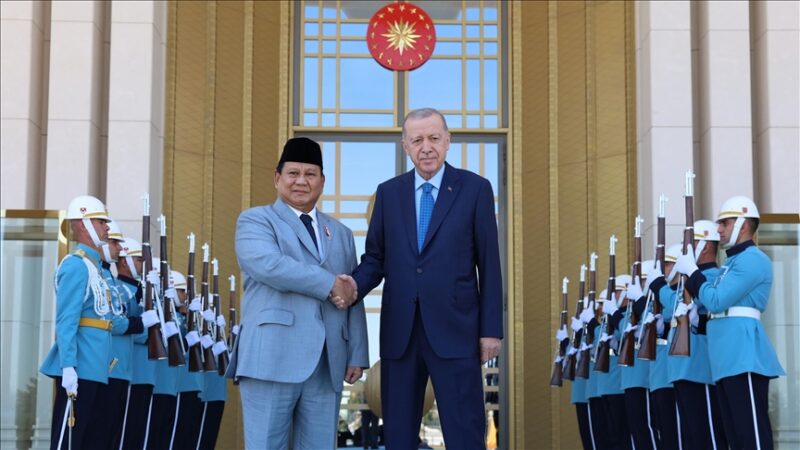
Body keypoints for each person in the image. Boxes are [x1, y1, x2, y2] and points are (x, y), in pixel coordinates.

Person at [352, 107, 503, 448]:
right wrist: (353, 286)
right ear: (405, 145)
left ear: (448, 141)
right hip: (400, 332)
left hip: (457, 330)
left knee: (464, 431)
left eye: (434, 138)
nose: (426, 147)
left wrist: (490, 330)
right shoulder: (388, 194)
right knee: (399, 435)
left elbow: (489, 264)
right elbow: (375, 258)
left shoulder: (475, 189)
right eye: (417, 140)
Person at [232, 137, 369, 449]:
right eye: (293, 173)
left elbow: (351, 293)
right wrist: (329, 283)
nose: (301, 181)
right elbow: (271, 266)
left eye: (310, 174)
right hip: (270, 357)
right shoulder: (256, 220)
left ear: (322, 181)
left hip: (327, 361)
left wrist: (357, 351)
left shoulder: (342, 233)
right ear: (277, 178)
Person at [674, 196, 785, 450]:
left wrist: (693, 273)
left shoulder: (753, 259)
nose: (719, 230)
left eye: (725, 223)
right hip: (725, 356)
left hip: (743, 354)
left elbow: (716, 300)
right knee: (734, 437)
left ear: (743, 224)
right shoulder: (730, 265)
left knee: (751, 436)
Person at [39, 195, 113, 450]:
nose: (107, 226)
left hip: (97, 367)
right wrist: (68, 365)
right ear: (83, 224)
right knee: (68, 441)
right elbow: (67, 321)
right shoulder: (76, 265)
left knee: (92, 441)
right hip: (80, 365)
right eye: (101, 221)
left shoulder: (96, 268)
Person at [666, 220, 728, 449]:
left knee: (708, 437)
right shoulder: (687, 280)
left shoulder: (714, 276)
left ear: (706, 246)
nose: (687, 249)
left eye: (692, 243)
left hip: (701, 367)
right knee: (690, 438)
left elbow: (711, 308)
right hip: (682, 367)